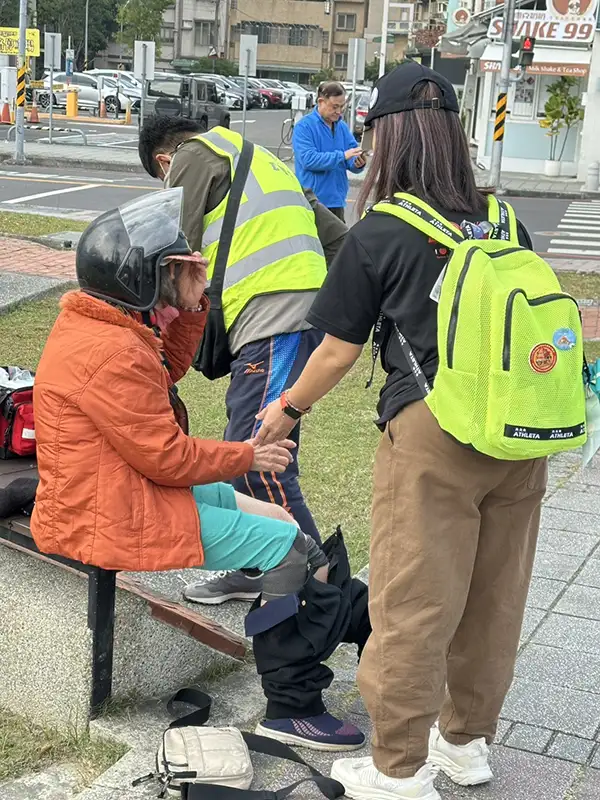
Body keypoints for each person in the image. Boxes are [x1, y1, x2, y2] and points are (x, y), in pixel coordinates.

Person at [254, 62, 548, 799]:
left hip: (434, 436)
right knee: (493, 597)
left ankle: (397, 768)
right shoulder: (507, 220)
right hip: (519, 439)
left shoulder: (383, 231)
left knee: (414, 601)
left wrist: (284, 409)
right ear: (453, 135)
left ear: (387, 137)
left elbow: (336, 350)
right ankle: (464, 744)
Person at [30, 189, 370, 751]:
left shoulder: (107, 326)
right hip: (107, 511)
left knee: (288, 533)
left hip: (120, 489)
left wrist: (193, 298)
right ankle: (290, 705)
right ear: (142, 278)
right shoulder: (111, 351)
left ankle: (355, 621)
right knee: (284, 549)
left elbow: (170, 365)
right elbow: (166, 455)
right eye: (179, 268)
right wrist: (247, 456)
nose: (193, 271)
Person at [138, 115, 347, 606]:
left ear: (164, 161)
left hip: (273, 315)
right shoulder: (267, 163)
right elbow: (338, 239)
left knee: (257, 458)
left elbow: (176, 250)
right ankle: (263, 568)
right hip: (295, 314)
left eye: (162, 180)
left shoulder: (192, 155)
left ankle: (322, 590)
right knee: (254, 452)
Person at [292, 81, 367, 222]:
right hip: (312, 202)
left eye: (342, 107)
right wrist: (343, 155)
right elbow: (309, 160)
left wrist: (358, 163)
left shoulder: (342, 127)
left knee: (341, 243)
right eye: (335, 107)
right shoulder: (304, 127)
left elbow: (351, 157)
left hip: (337, 202)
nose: (339, 112)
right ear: (321, 102)